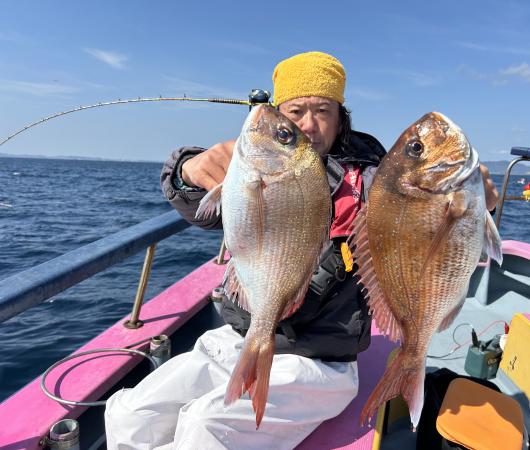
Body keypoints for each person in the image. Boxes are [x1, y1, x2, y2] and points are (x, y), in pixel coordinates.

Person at [104, 51, 499, 450]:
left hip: (321, 361)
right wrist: (187, 170)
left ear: (341, 116)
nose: (309, 124)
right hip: (241, 334)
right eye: (295, 111)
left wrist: (478, 201)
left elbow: (419, 227)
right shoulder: (255, 159)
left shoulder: (375, 178)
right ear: (279, 112)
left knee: (205, 427)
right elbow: (200, 206)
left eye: (323, 110)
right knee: (130, 415)